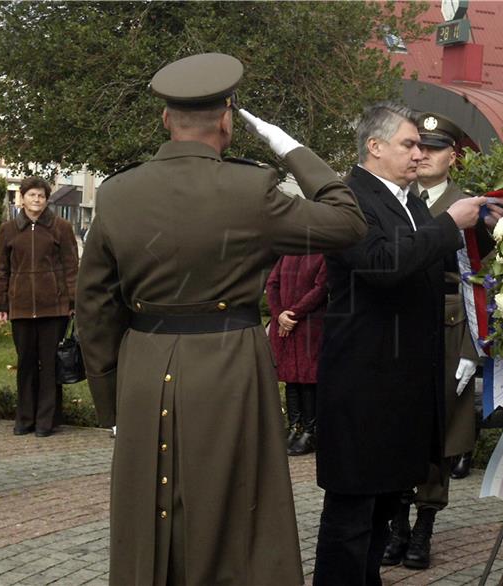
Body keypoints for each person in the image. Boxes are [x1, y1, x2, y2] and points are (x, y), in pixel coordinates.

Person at [76, 53, 367, 586]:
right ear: (227, 120)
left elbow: (93, 305)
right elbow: (349, 221)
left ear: (166, 118)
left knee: (147, 512)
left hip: (143, 365)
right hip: (230, 361)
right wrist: (290, 146)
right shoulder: (251, 190)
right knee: (236, 511)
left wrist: (111, 399)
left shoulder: (116, 194)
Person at [312, 102, 503, 586]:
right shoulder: (348, 197)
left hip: (399, 383)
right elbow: (380, 264)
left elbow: (430, 265)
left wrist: (479, 223)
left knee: (381, 507)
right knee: (351, 514)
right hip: (363, 383)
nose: (419, 153)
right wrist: (448, 225)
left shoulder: (408, 199)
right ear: (374, 147)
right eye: (409, 144)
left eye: (422, 145)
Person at [382, 112, 489, 570]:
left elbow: (483, 281)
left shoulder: (467, 205)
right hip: (402, 325)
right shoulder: (398, 199)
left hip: (449, 327)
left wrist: (471, 349)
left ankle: (424, 526)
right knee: (396, 426)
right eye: (416, 146)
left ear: (454, 156)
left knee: (436, 433)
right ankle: (397, 526)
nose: (421, 154)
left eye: (433, 147)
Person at [0, 176, 79, 437]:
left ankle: (46, 421)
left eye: (41, 196)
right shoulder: (8, 230)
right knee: (26, 363)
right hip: (20, 308)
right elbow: (1, 270)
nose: (37, 200)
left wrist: (73, 302)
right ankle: (25, 418)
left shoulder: (60, 227)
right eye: (32, 195)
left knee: (49, 365)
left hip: (54, 309)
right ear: (22, 198)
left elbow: (71, 267)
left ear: (47, 199)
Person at [267, 253, 327, 456]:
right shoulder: (286, 254)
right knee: (290, 378)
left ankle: (310, 431)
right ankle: (295, 427)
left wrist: (291, 315)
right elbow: (272, 284)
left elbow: (320, 288)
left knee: (308, 378)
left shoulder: (323, 254)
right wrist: (279, 314)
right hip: (285, 326)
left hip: (308, 326)